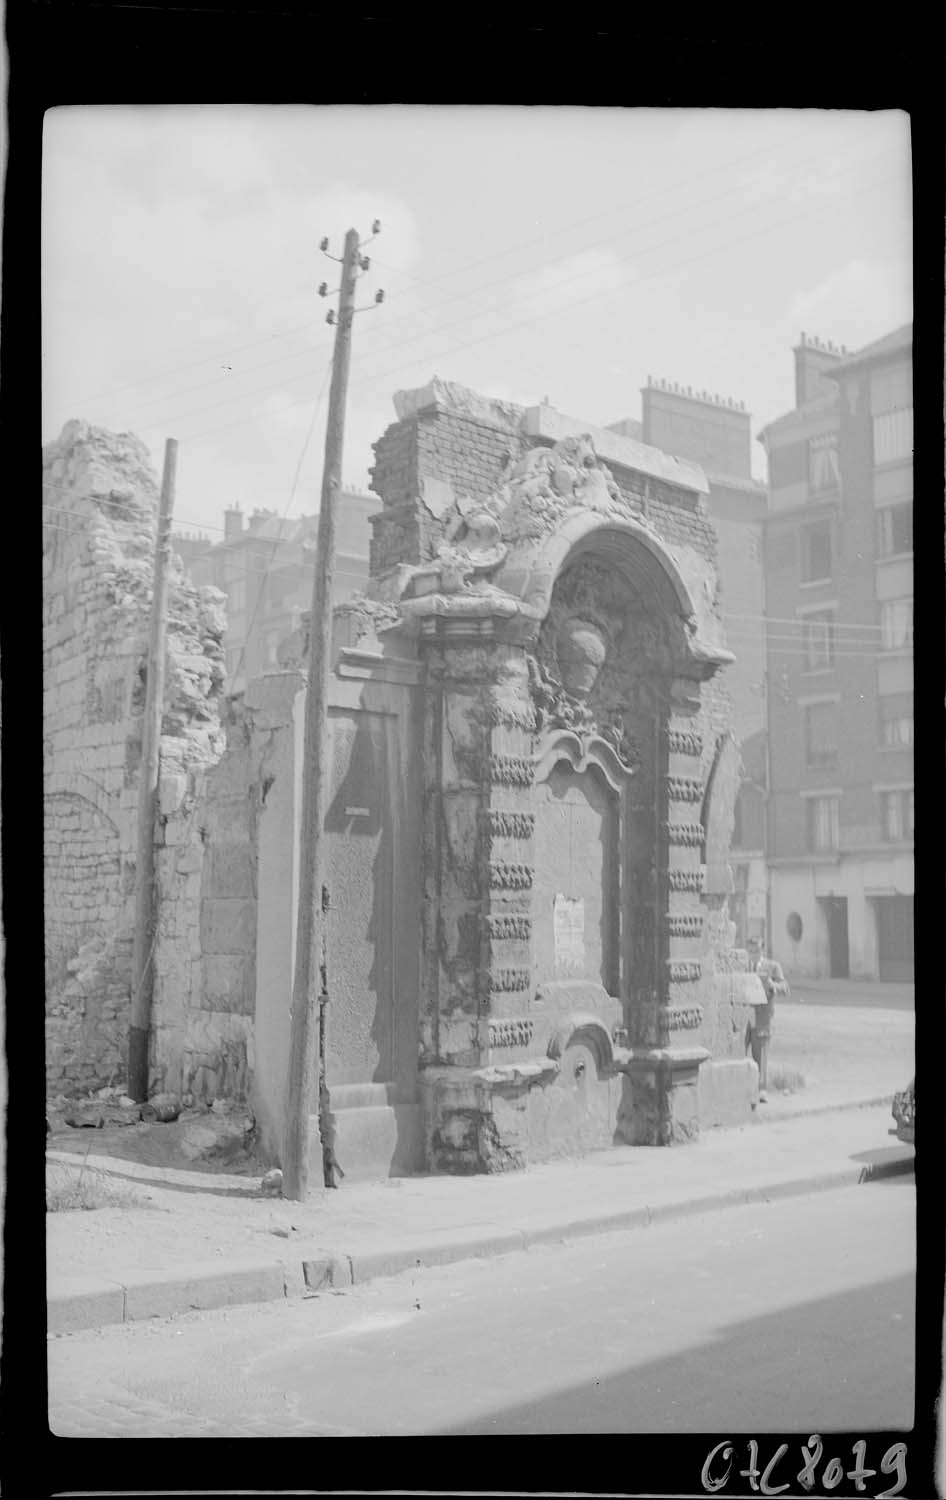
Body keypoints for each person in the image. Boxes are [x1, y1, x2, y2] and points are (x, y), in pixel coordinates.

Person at [745, 937, 790, 1102]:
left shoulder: (772, 967)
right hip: (743, 1015)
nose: (753, 954)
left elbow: (785, 988)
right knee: (738, 1051)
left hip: (762, 1016)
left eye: (756, 950)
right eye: (750, 951)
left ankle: (761, 1090)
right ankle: (741, 1088)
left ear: (762, 950)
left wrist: (772, 985)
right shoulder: (742, 966)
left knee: (760, 1054)